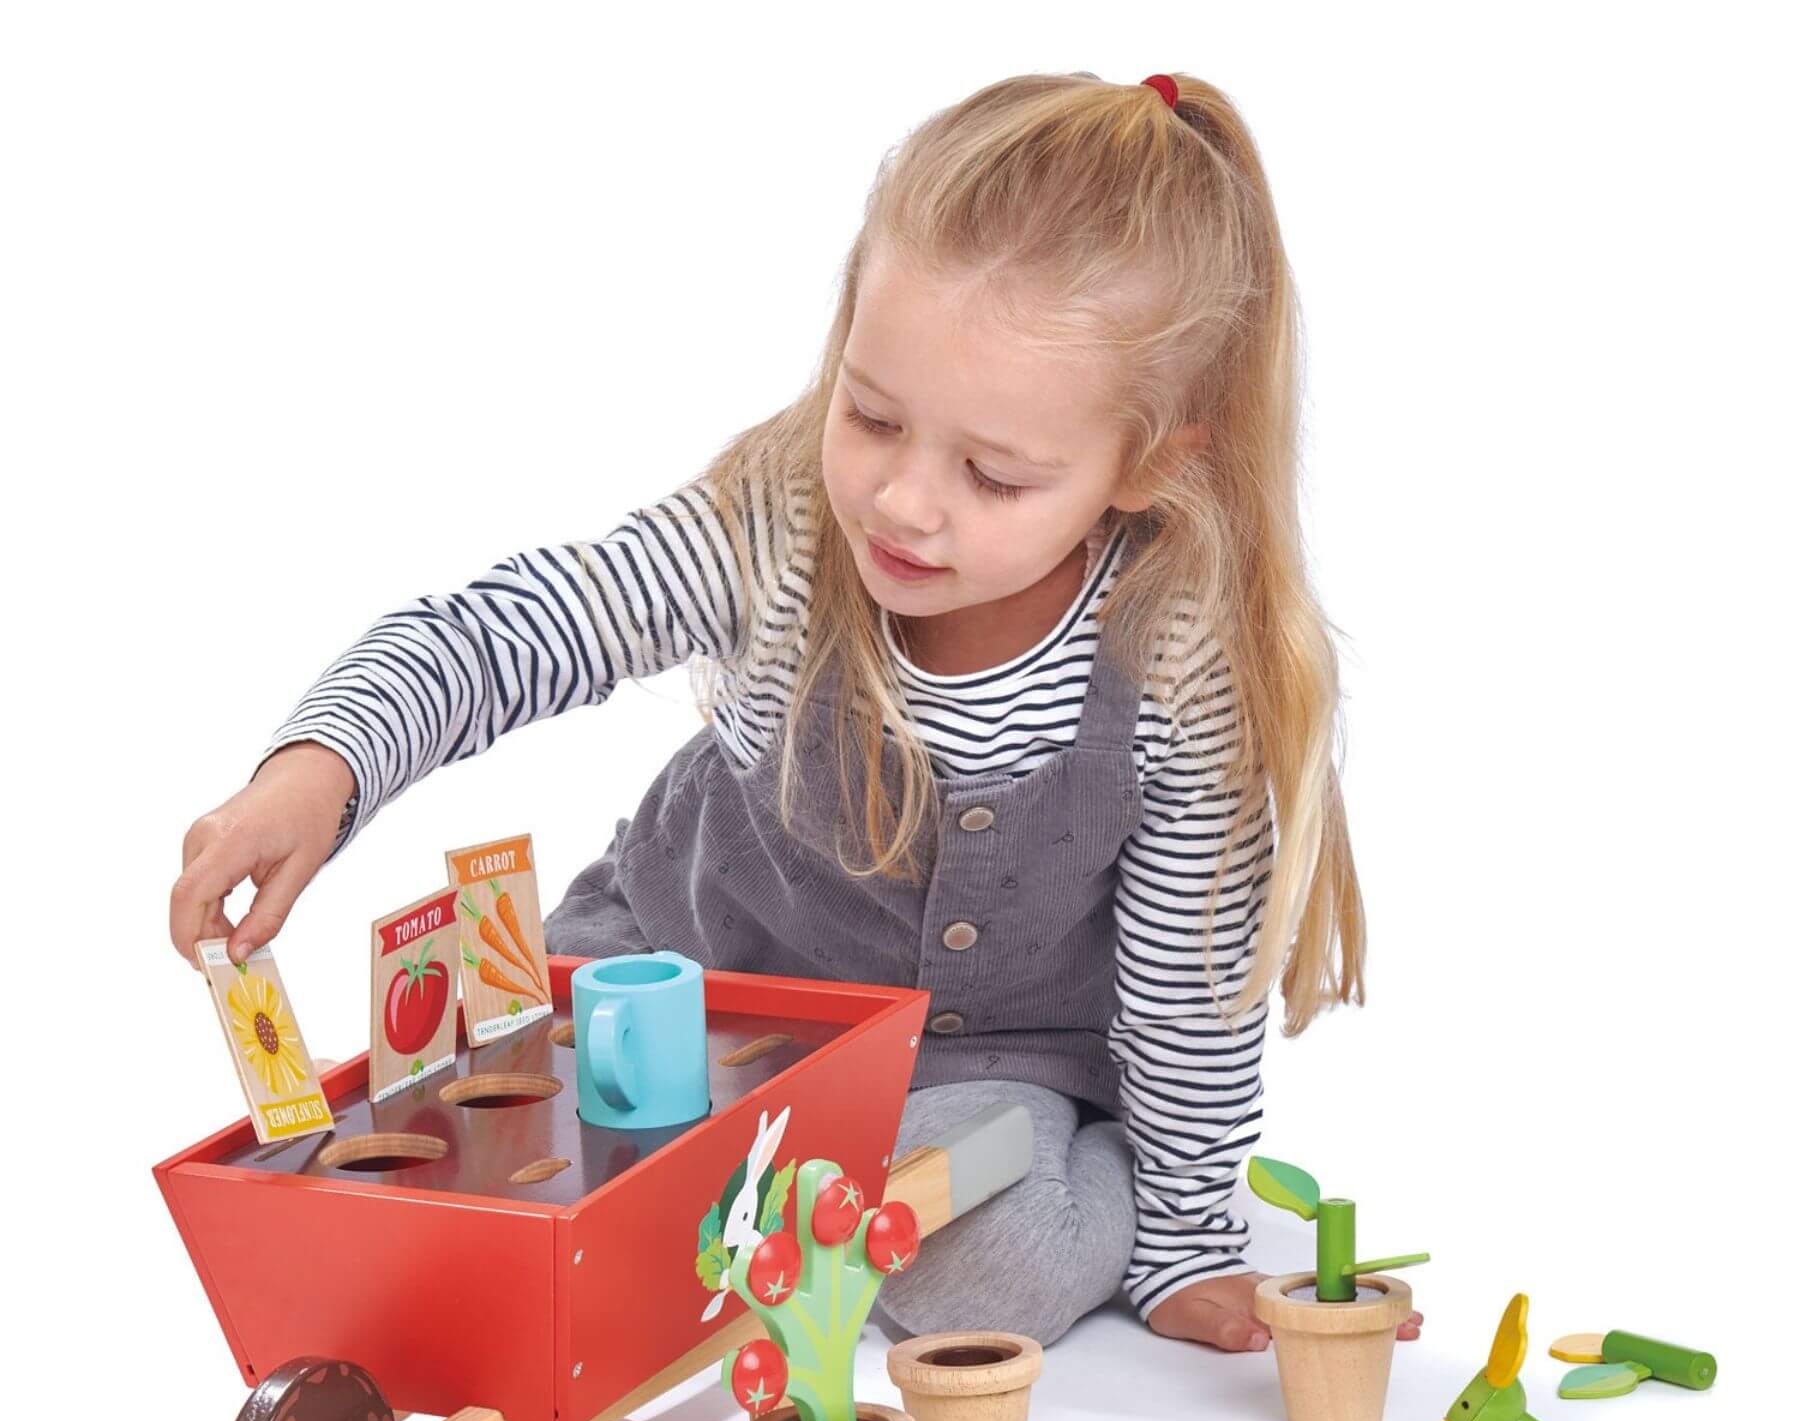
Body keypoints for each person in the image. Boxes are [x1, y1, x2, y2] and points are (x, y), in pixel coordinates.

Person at [169, 70, 1421, 1356]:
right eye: (872, 416)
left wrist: (1186, 1241)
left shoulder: (1176, 658)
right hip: (703, 974)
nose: (905, 503)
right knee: (504, 1138)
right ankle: (747, 1190)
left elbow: (1188, 984)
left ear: (1150, 463)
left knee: (996, 1277)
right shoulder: (773, 530)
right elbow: (507, 631)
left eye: (994, 474)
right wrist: (321, 767)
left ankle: (1061, 1164)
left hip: (981, 1063)